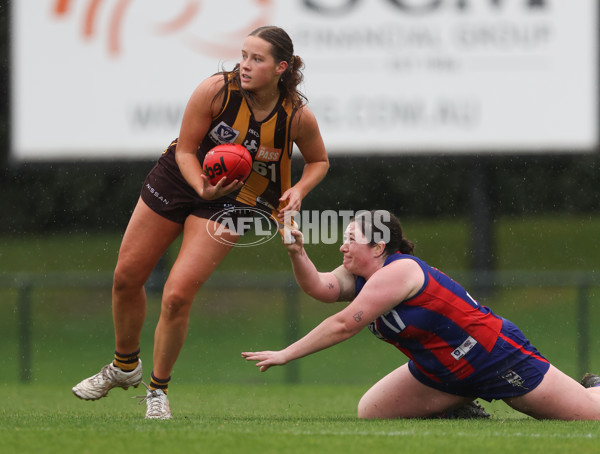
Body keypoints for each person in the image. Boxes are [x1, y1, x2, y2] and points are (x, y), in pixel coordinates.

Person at [72, 26, 329, 419]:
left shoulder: (296, 116)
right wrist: (201, 187)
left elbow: (318, 161)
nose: (244, 65)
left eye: (256, 59)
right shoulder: (216, 91)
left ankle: (157, 390)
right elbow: (187, 151)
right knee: (126, 276)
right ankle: (125, 366)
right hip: (179, 178)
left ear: (280, 68)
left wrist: (299, 191)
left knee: (176, 296)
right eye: (243, 55)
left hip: (238, 199)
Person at [243, 210, 600, 420]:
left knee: (589, 415)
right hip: (442, 372)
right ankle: (459, 405)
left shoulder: (399, 272)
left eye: (351, 238)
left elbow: (342, 325)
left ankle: (594, 388)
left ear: (379, 247)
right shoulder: (362, 275)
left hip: (492, 356)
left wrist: (285, 353)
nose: (342, 245)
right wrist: (296, 252)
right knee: (372, 411)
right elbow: (319, 289)